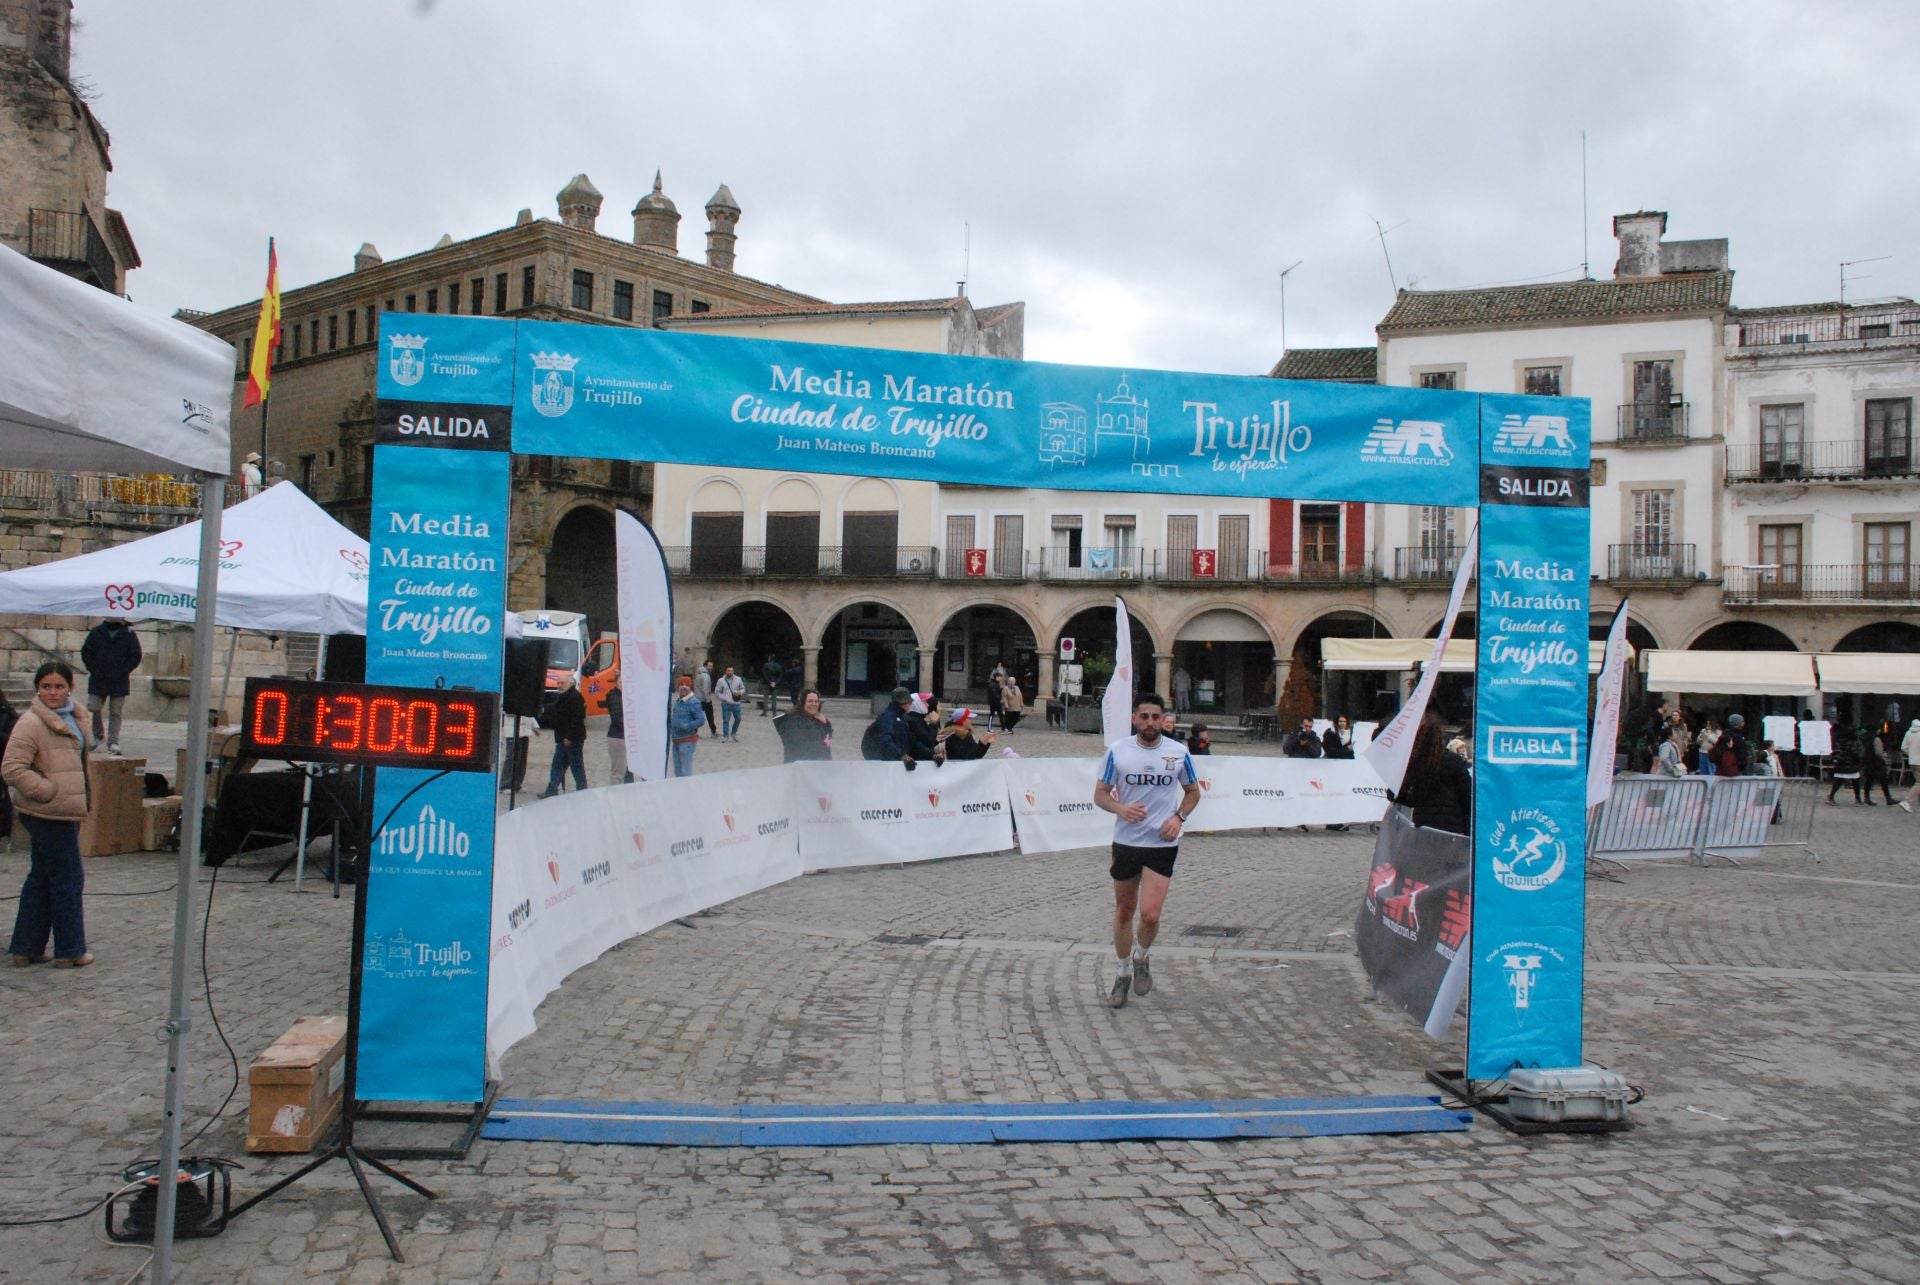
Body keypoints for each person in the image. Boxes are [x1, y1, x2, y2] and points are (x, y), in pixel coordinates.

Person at [1094, 693, 1201, 1009]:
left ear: (1164, 719)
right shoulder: (1118, 751)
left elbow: (1194, 792)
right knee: (1124, 910)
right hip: (1127, 841)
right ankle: (1122, 972)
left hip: (1161, 843)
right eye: (1144, 717)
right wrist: (1121, 808)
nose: (1151, 723)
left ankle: (1142, 956)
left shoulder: (1178, 752)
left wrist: (1178, 817)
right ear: (1134, 718)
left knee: (1151, 914)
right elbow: (1100, 794)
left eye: (1156, 717)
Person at [6, 661, 93, 967]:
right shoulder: (31, 722)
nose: (52, 692)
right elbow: (12, 768)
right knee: (68, 877)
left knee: (41, 877)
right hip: (48, 810)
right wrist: (47, 791)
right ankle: (71, 949)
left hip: (65, 809)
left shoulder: (76, 716)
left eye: (58, 686)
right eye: (46, 687)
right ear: (37, 688)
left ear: (70, 687)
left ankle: (25, 948)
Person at [1389, 711, 1474, 836]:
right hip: (1453, 827)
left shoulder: (1413, 762)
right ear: (1442, 738)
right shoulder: (1453, 761)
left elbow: (1395, 794)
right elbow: (1468, 797)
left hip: (1423, 825)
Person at [79, 617, 141, 756]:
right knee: (94, 707)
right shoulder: (96, 632)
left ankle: (113, 741)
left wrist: (124, 669)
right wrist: (93, 668)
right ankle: (98, 734)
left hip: (119, 679)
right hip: (98, 678)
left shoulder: (129, 633)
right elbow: (86, 652)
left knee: (116, 712)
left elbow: (136, 655)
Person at [536, 674, 588, 798]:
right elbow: (555, 711)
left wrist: (570, 737)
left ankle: (583, 789)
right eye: (558, 683)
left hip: (572, 739)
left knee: (576, 765)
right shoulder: (562, 697)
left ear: (570, 683)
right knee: (558, 763)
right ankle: (553, 788)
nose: (559, 685)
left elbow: (578, 719)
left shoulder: (575, 697)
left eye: (562, 683)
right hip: (562, 737)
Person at [775, 688, 833, 763]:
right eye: (810, 701)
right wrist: (823, 744)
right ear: (803, 703)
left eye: (816, 701)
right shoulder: (794, 720)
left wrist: (825, 722)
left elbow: (828, 735)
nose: (814, 704)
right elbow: (801, 744)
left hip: (817, 765)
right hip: (799, 766)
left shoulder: (817, 719)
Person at [875, 686, 920, 768]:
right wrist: (902, 755)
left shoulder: (901, 717)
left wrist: (931, 754)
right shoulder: (888, 716)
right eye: (909, 702)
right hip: (888, 763)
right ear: (903, 703)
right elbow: (885, 739)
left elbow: (910, 739)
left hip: (896, 761)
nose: (911, 704)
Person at [669, 676, 704, 777]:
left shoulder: (694, 702)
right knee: (678, 770)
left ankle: (688, 791)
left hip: (687, 741)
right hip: (676, 741)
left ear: (690, 687)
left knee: (686, 771)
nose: (683, 687)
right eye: (681, 685)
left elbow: (701, 720)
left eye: (686, 685)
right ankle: (680, 791)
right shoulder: (678, 701)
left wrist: (687, 726)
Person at [1828, 729, 1864, 804]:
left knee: (1841, 781)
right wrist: (1859, 759)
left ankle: (1831, 796)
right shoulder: (1854, 742)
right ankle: (1858, 799)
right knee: (1854, 781)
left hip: (1842, 763)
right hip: (1850, 764)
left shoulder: (1840, 741)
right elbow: (1855, 752)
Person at [1862, 723, 1895, 805]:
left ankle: (1866, 798)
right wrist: (1884, 760)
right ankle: (1888, 798)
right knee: (1883, 780)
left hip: (1868, 761)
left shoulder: (1865, 738)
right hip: (1877, 763)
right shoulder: (1876, 739)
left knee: (1869, 780)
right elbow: (1879, 752)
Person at [604, 682, 631, 784]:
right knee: (618, 772)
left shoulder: (625, 695)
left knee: (626, 769)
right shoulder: (615, 696)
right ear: (616, 683)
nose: (624, 684)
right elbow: (616, 718)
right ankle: (615, 795)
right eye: (621, 682)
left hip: (624, 736)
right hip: (618, 737)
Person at [1710, 713, 1751, 778]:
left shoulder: (1739, 734)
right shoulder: (1729, 735)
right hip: (1733, 769)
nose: (1744, 723)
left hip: (1738, 766)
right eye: (1742, 721)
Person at [714, 664, 745, 741]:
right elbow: (717, 692)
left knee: (738, 719)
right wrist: (724, 698)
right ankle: (725, 736)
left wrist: (740, 692)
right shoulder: (721, 680)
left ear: (733, 671)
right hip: (726, 703)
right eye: (728, 671)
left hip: (736, 703)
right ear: (725, 671)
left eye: (731, 671)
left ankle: (733, 733)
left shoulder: (738, 679)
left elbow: (743, 688)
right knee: (726, 720)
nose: (730, 672)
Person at [1900, 719, 1920, 813]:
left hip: (1912, 761)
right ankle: (1907, 801)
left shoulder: (1908, 733)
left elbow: (1903, 747)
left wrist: (1911, 754)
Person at [695, 660, 716, 736]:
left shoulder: (698, 674)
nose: (711, 668)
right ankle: (713, 732)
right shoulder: (706, 676)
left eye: (712, 666)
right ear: (705, 666)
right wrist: (708, 700)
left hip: (697, 698)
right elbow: (705, 689)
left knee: (696, 716)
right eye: (709, 666)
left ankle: (694, 732)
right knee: (710, 716)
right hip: (704, 700)